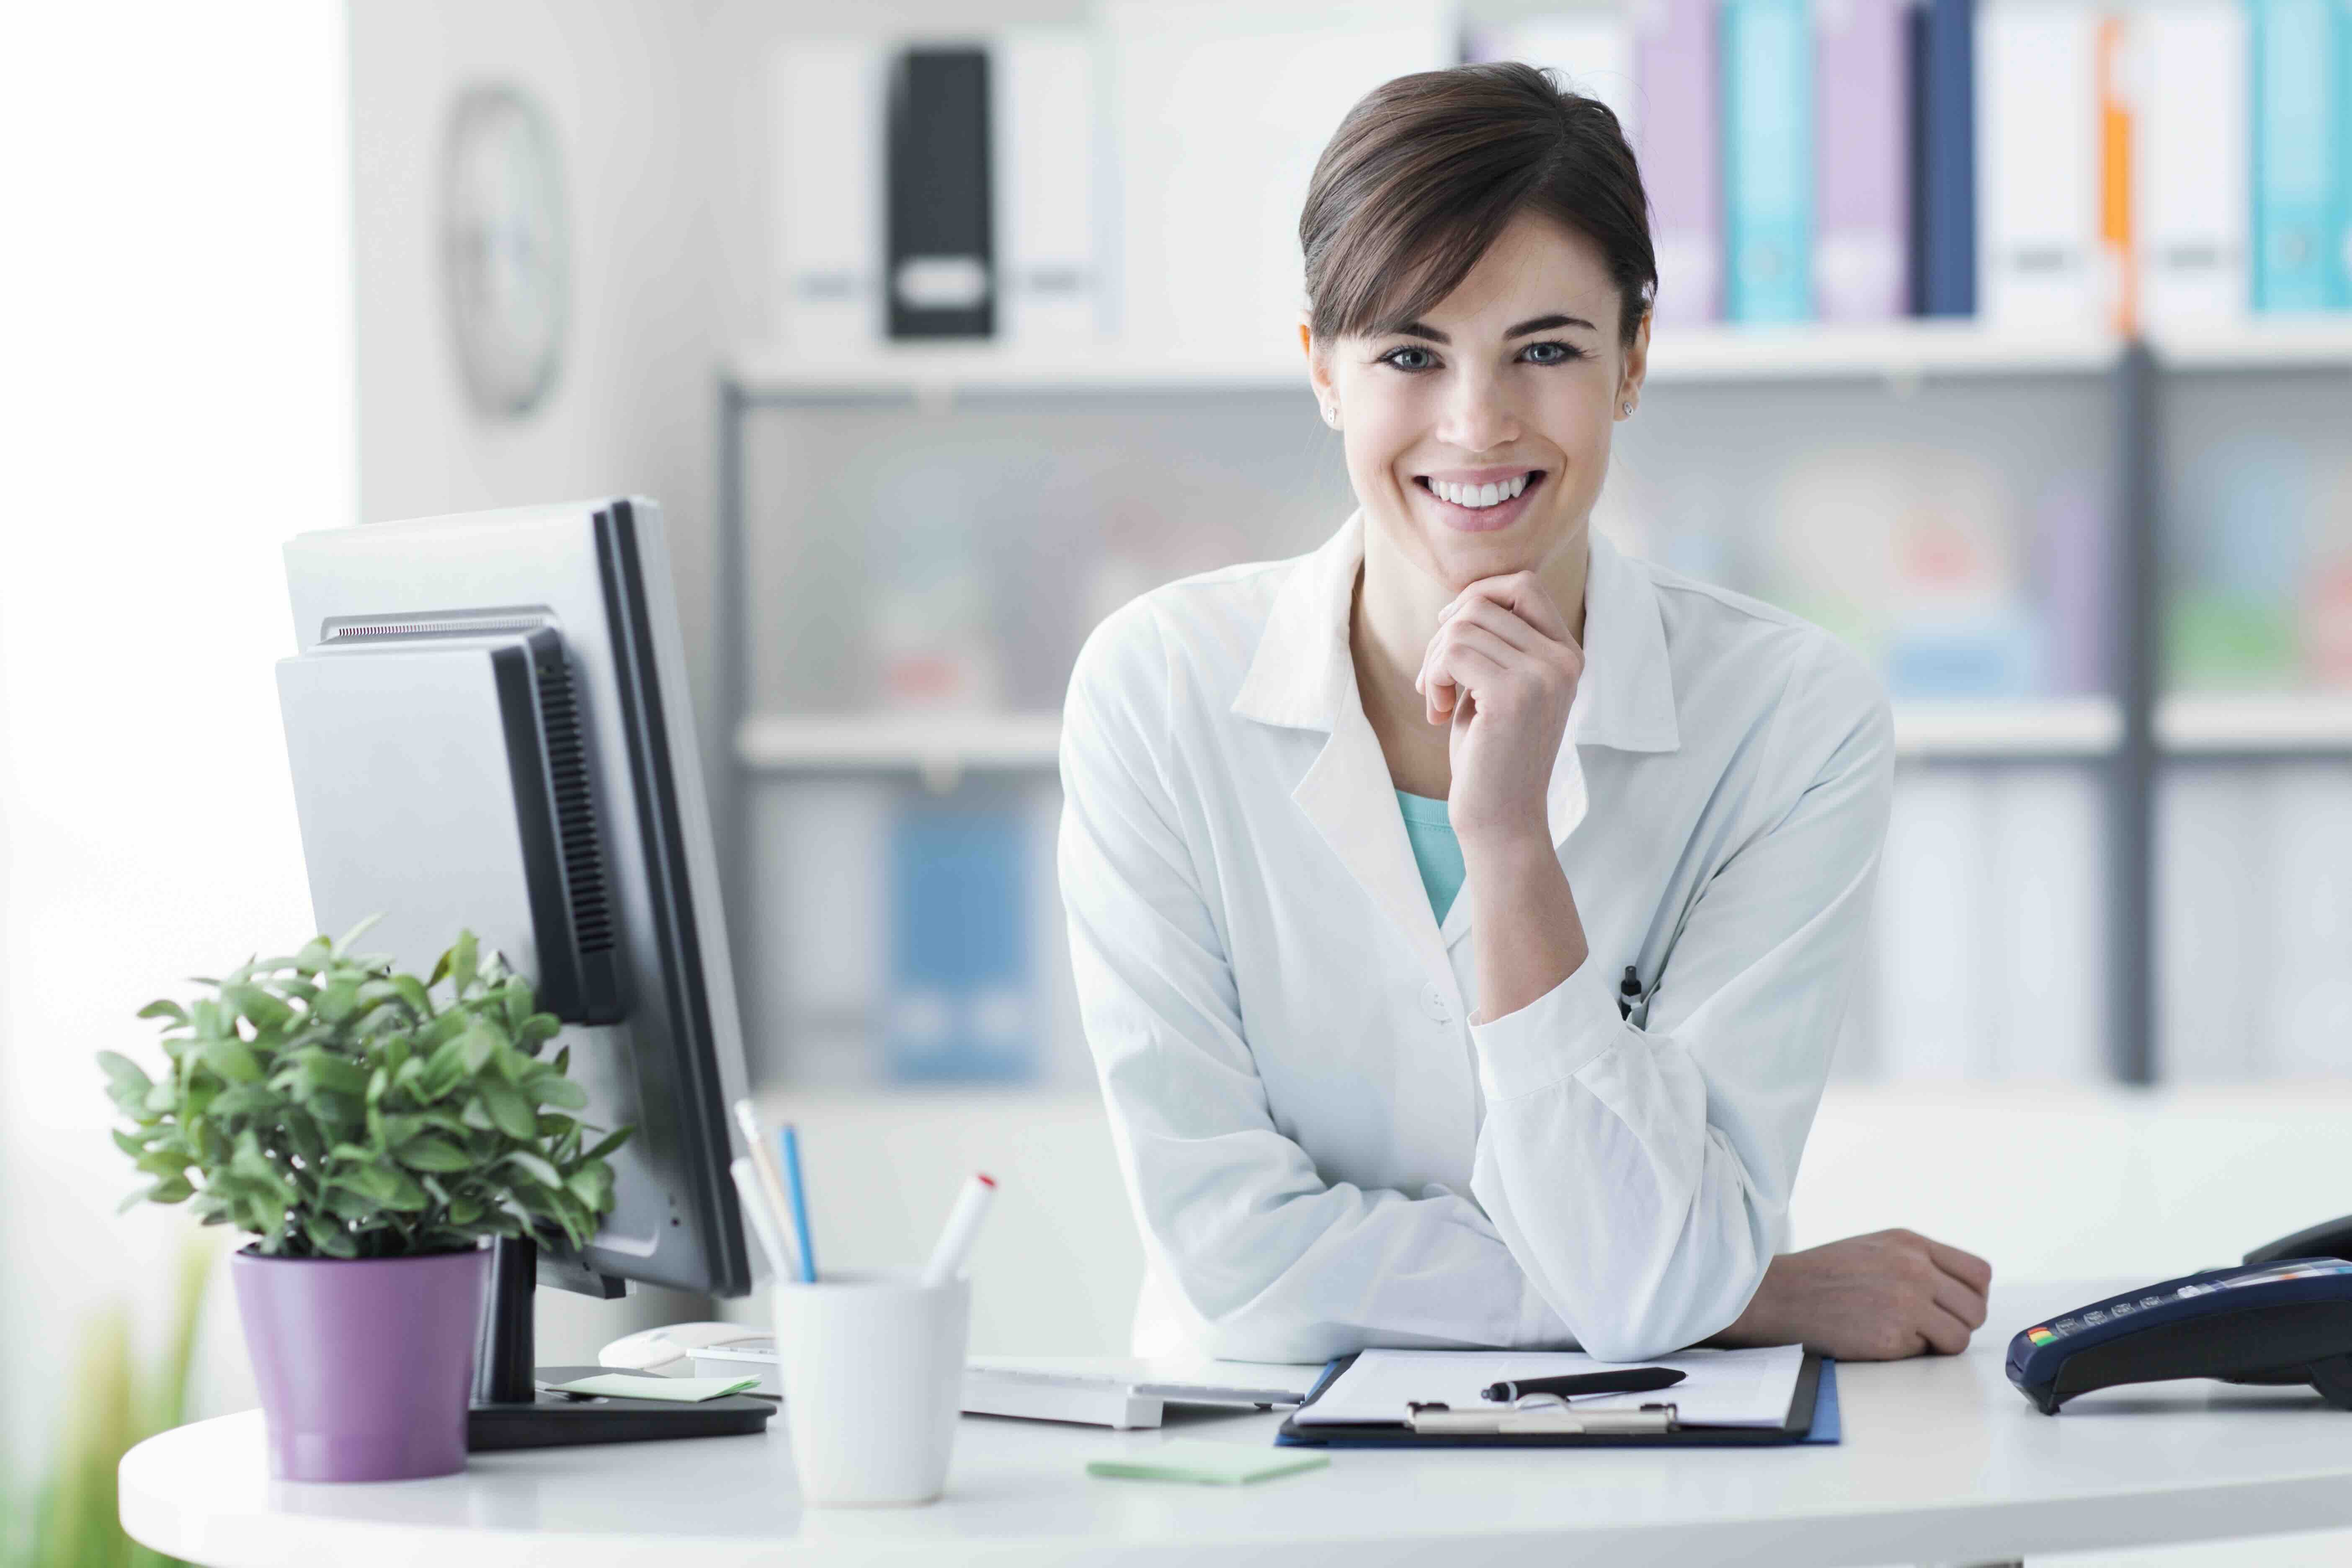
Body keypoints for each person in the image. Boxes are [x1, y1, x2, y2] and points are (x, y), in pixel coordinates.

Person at [1057, 62, 1991, 1365]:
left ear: (1634, 361)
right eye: (1409, 352)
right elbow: (1234, 1266)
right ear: (1323, 370)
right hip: (1261, 1470)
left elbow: (1654, 1277)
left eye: (1544, 350)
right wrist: (1736, 1293)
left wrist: (1509, 845)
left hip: (1645, 1476)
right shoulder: (1154, 689)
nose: (1476, 424)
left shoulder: (1792, 720)